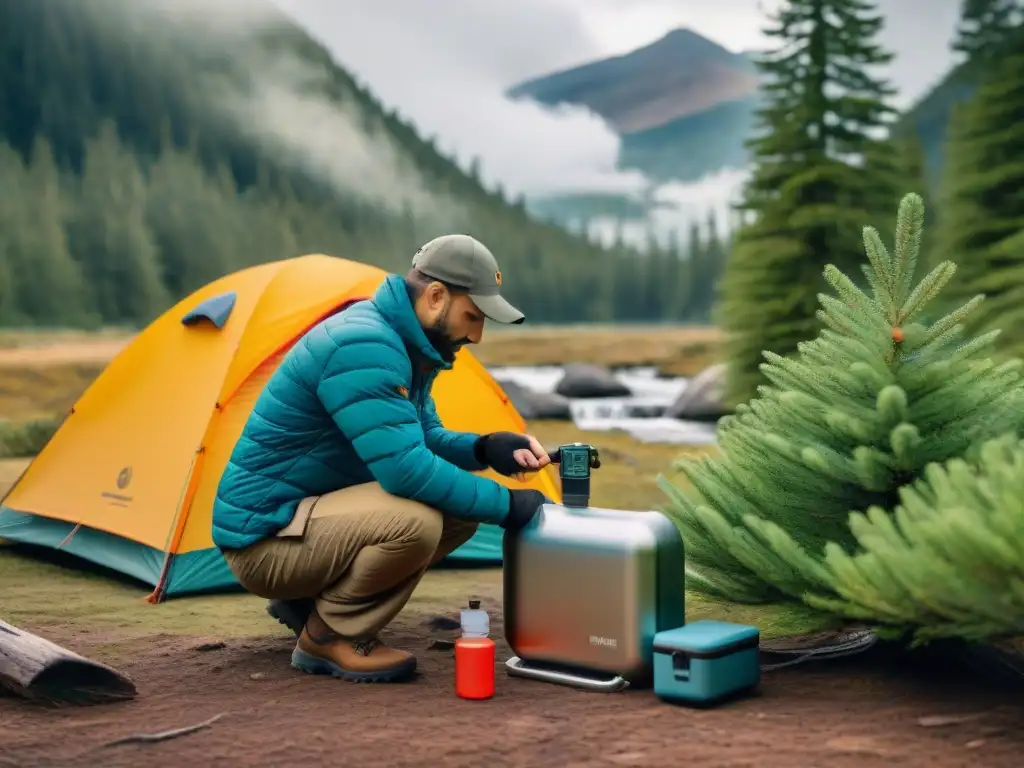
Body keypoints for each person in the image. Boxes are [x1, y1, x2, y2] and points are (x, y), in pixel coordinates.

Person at [211, 234, 551, 683]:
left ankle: (312, 605)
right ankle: (328, 636)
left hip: (300, 522)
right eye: (472, 316)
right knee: (418, 521)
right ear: (435, 297)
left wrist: (483, 448)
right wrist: (510, 506)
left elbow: (421, 437)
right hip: (265, 540)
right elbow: (405, 470)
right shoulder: (365, 346)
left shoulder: (403, 343)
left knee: (458, 512)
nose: (477, 334)